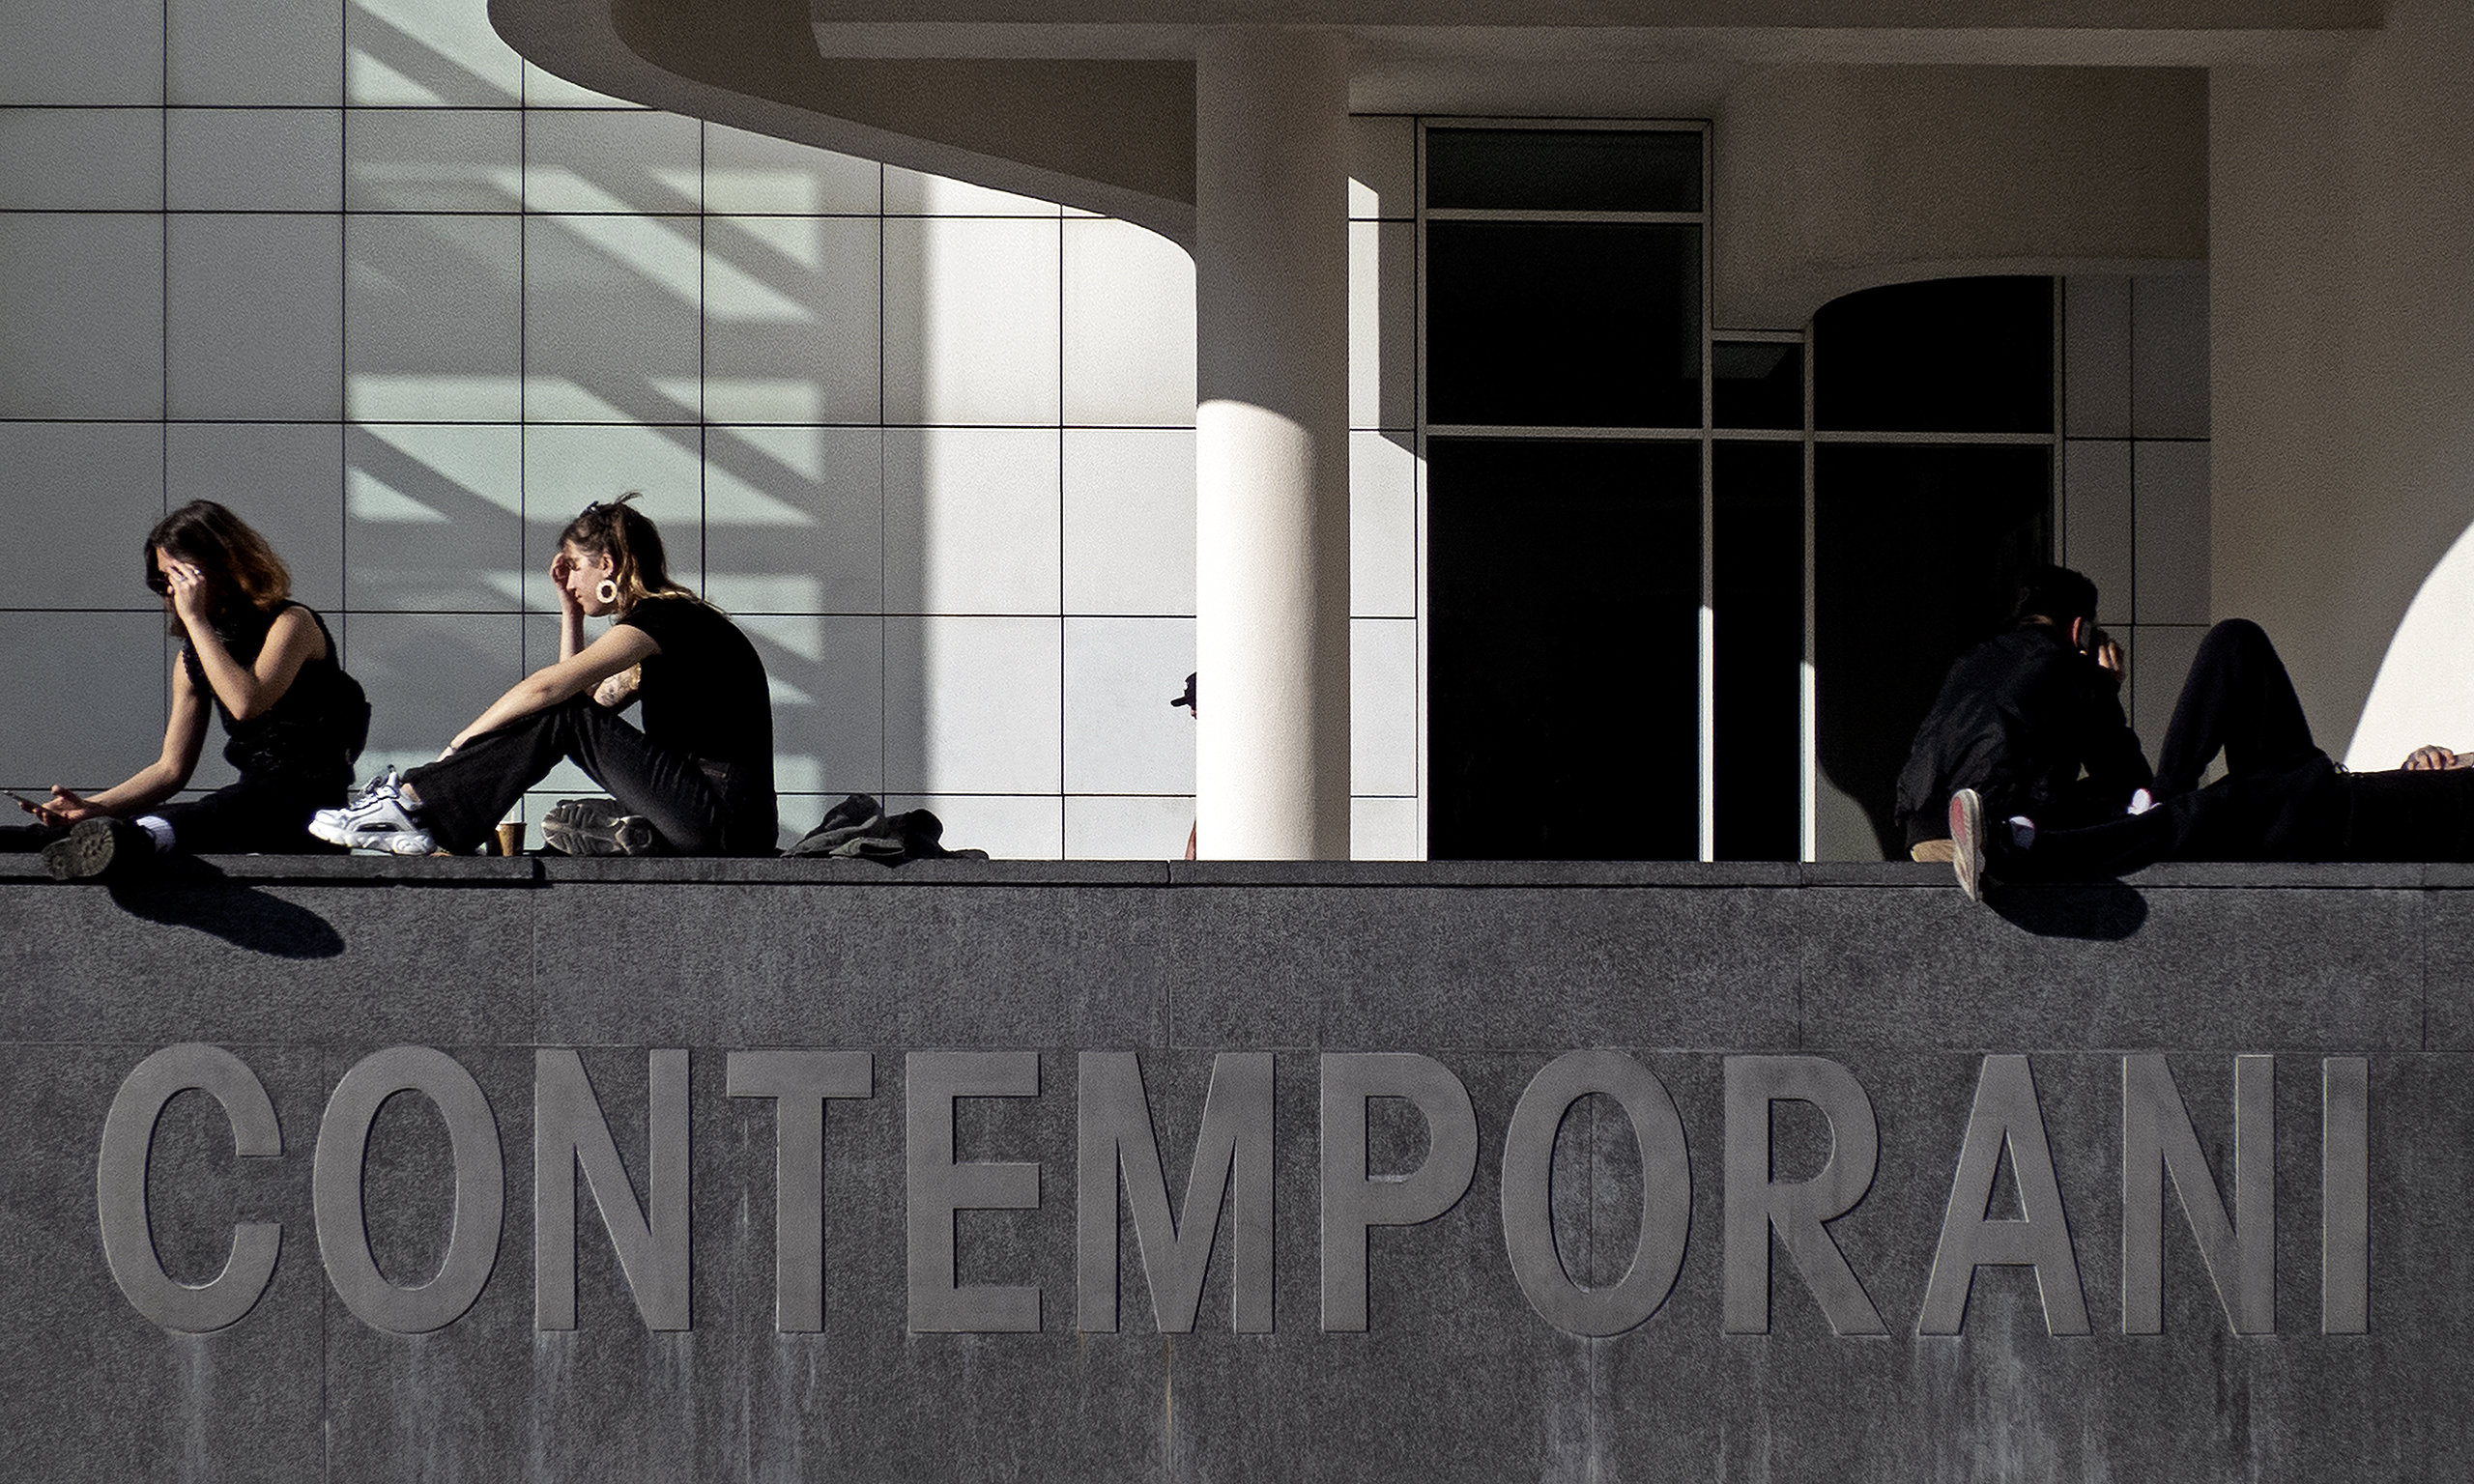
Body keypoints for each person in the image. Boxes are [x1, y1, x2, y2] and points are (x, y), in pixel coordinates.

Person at [310, 495, 777, 857]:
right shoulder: (668, 627)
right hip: (711, 814)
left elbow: (552, 690)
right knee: (563, 715)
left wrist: (457, 748)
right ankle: (425, 811)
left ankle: (416, 804)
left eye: (573, 567)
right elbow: (582, 702)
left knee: (558, 710)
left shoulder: (669, 620)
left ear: (607, 565)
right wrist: (570, 614)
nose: (568, 581)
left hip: (722, 818)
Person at [1947, 616, 2474, 899]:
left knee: (2216, 811)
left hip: (2343, 823)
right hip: (2334, 788)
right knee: (2237, 641)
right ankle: (2159, 795)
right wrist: (2433, 759)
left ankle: (2027, 852)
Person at [7, 500, 369, 880]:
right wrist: (93, 807)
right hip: (246, 804)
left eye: (179, 577)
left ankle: (135, 839)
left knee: (203, 815)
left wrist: (195, 619)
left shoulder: (292, 623)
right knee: (125, 823)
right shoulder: (193, 659)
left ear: (223, 564)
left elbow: (247, 702)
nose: (172, 592)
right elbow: (170, 769)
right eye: (162, 582)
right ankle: (52, 840)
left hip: (308, 807)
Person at [1895, 565, 2152, 860]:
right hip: (1995, 826)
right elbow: (2125, 775)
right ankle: (1996, 849)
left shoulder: (1971, 660)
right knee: (2126, 803)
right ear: (2079, 628)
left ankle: (1984, 847)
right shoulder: (2070, 667)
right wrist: (2104, 685)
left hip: (1925, 832)